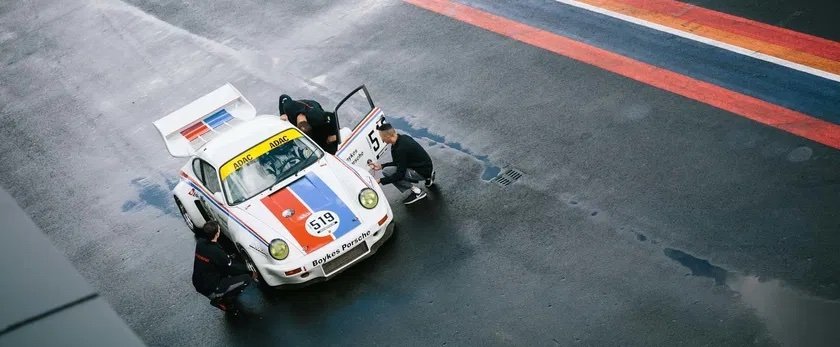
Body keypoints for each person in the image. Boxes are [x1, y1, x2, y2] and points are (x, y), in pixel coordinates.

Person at [192, 220, 253, 313]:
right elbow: (231, 268)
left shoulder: (200, 242)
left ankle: (221, 295)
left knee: (225, 273)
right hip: (211, 288)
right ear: (217, 234)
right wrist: (249, 271)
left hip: (198, 282)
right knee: (246, 278)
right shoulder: (216, 252)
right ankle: (222, 300)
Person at [368, 122, 436, 205]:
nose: (382, 140)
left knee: (387, 172)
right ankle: (428, 177)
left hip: (421, 171)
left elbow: (399, 174)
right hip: (426, 166)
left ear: (388, 136)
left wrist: (380, 180)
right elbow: (399, 162)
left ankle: (418, 192)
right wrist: (381, 166)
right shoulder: (402, 139)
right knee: (387, 169)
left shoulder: (400, 149)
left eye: (382, 137)